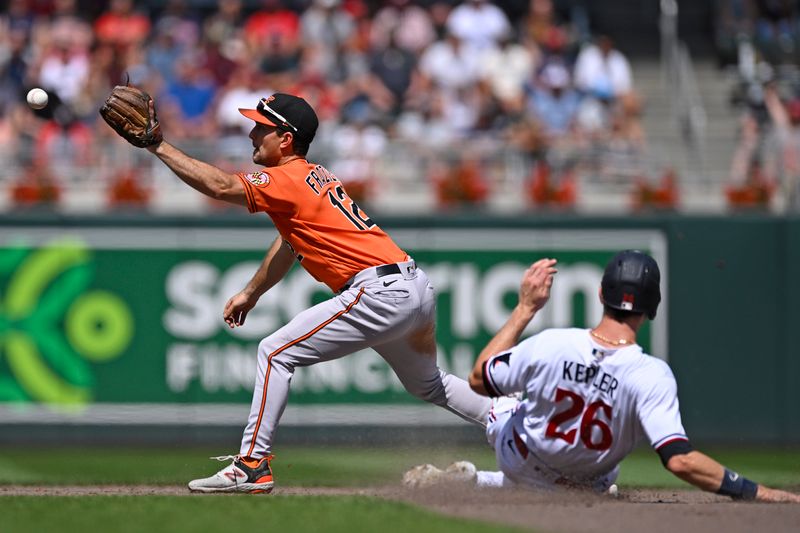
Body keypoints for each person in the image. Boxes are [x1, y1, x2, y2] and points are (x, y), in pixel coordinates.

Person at [113, 92, 491, 493]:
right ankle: (515, 422)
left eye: (262, 127)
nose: (252, 134)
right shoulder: (314, 175)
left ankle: (252, 465)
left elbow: (220, 186)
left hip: (379, 291)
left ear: (286, 139)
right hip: (412, 285)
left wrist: (156, 144)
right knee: (428, 384)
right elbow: (289, 244)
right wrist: (251, 293)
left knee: (274, 352)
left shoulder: (288, 179)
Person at [404, 251, 800, 503]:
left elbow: (478, 378)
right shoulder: (651, 374)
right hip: (586, 483)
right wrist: (758, 491)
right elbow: (680, 461)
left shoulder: (553, 343)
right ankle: (487, 481)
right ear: (653, 306)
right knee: (600, 472)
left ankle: (476, 481)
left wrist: (525, 309)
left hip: (520, 460)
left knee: (507, 404)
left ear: (599, 294)